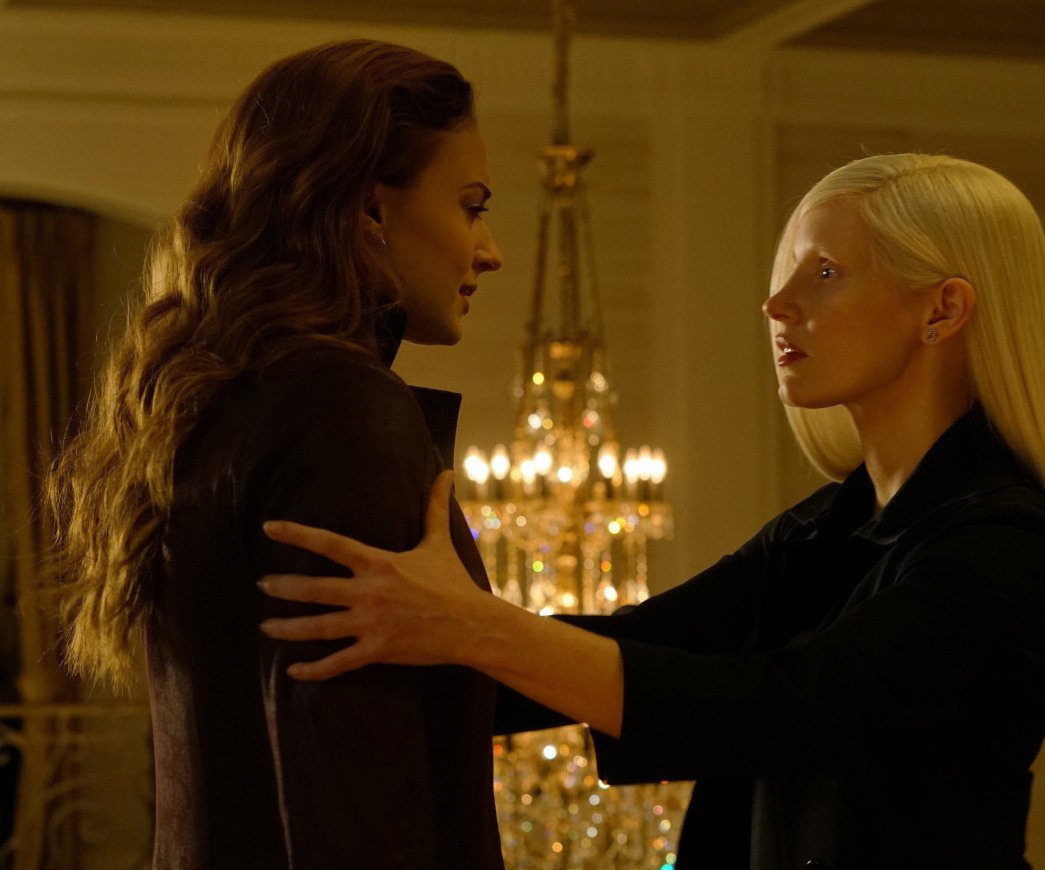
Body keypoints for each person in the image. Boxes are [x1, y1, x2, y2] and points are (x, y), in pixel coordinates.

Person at [258, 153, 1045, 869]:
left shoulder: (1004, 545)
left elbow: (779, 708)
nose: (776, 304)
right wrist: (359, 643)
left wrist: (473, 627)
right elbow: (647, 641)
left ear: (940, 311)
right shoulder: (824, 528)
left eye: (826, 274)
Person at [49, 40, 503, 868]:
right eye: (470, 207)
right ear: (369, 211)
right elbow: (357, 784)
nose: (488, 250)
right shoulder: (338, 406)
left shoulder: (223, 394)